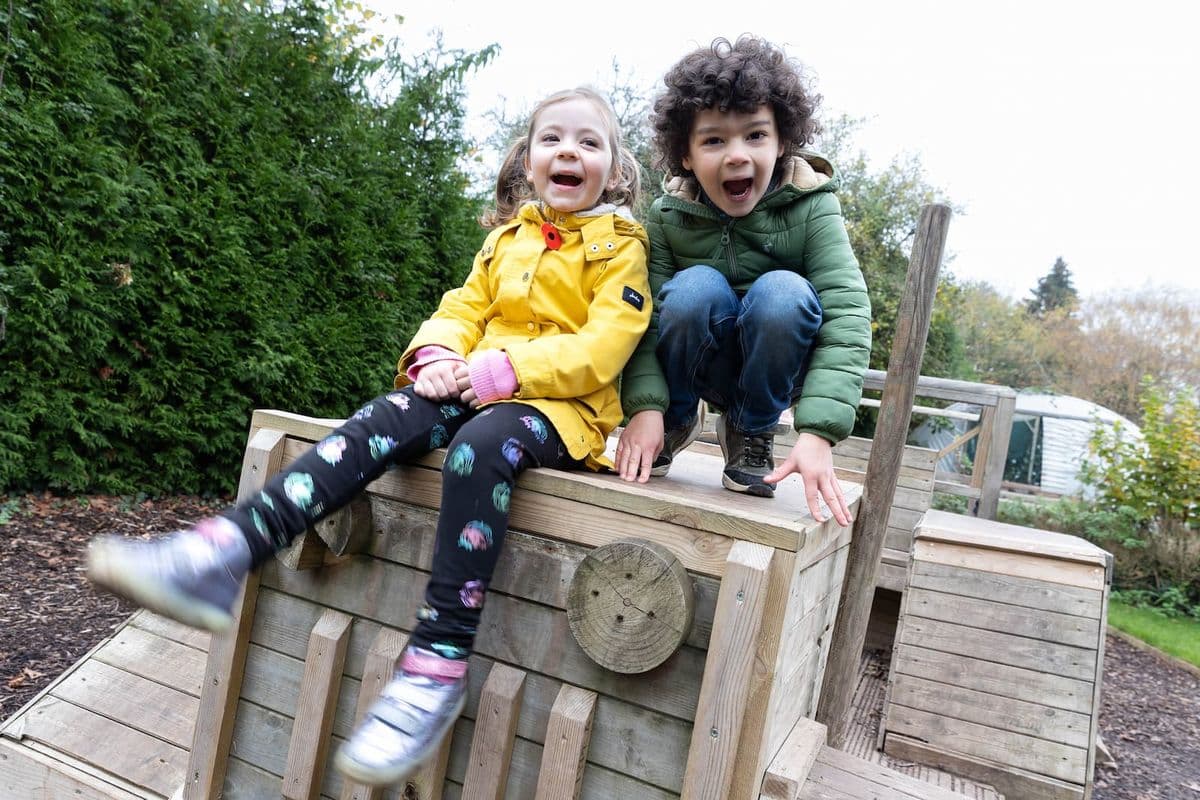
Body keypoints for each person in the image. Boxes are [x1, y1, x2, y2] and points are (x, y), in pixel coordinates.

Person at [86, 87, 650, 788]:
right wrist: (438, 358)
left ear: (616, 171)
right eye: (553, 140)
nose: (570, 151)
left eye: (589, 143)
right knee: (389, 412)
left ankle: (437, 666)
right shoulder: (506, 239)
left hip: (560, 411)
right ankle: (227, 550)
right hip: (474, 380)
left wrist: (507, 370)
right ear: (528, 163)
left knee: (477, 451)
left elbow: (607, 345)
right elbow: (462, 308)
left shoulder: (621, 250)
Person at [615, 36, 871, 526]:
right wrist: (646, 407)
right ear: (685, 156)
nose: (736, 155)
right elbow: (640, 317)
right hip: (699, 361)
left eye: (755, 136)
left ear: (781, 144)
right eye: (713, 140)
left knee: (783, 292)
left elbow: (847, 313)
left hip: (775, 362)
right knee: (693, 290)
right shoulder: (669, 217)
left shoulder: (813, 205)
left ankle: (751, 430)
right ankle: (676, 419)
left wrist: (817, 432)